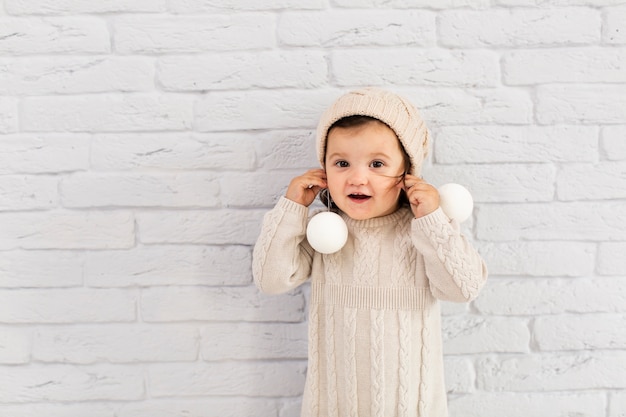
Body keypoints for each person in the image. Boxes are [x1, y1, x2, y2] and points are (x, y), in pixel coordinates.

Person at [252, 87, 488, 417]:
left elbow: (463, 288)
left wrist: (433, 220)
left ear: (407, 172)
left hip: (410, 408)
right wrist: (292, 208)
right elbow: (271, 279)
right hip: (332, 406)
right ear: (324, 169)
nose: (357, 177)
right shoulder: (325, 231)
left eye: (377, 163)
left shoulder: (424, 229)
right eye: (342, 163)